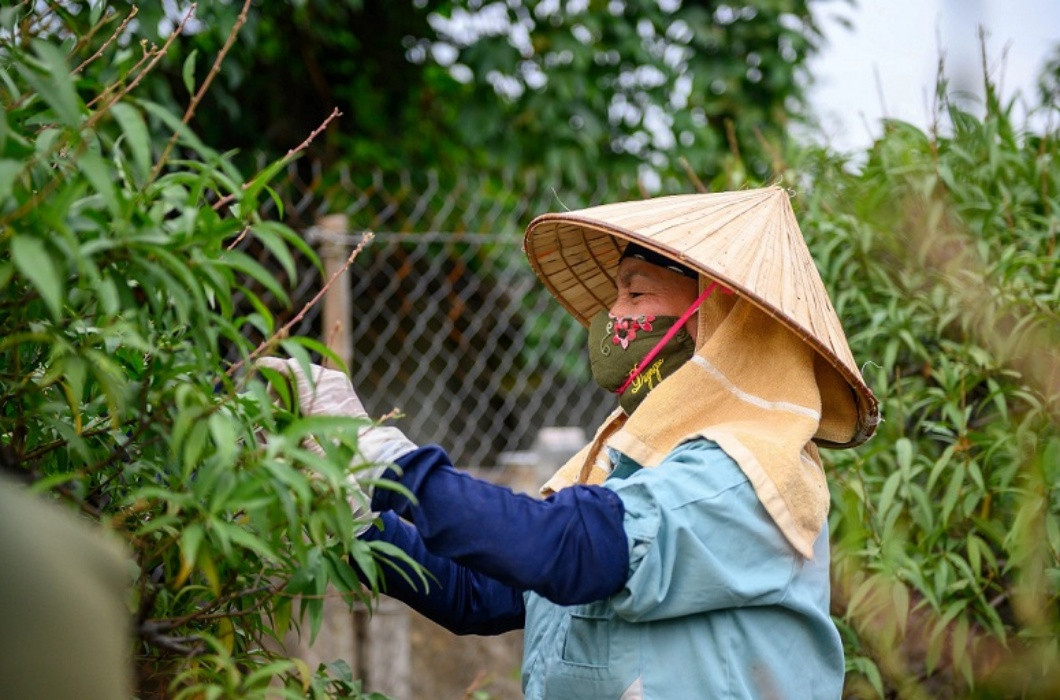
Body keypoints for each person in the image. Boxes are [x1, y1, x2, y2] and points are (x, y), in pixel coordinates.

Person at [261, 186, 880, 699]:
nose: (611, 319)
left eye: (635, 295)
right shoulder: (631, 466)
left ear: (720, 327)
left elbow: (566, 546)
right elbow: (480, 592)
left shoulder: (748, 472)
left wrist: (385, 459)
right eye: (615, 296)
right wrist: (357, 515)